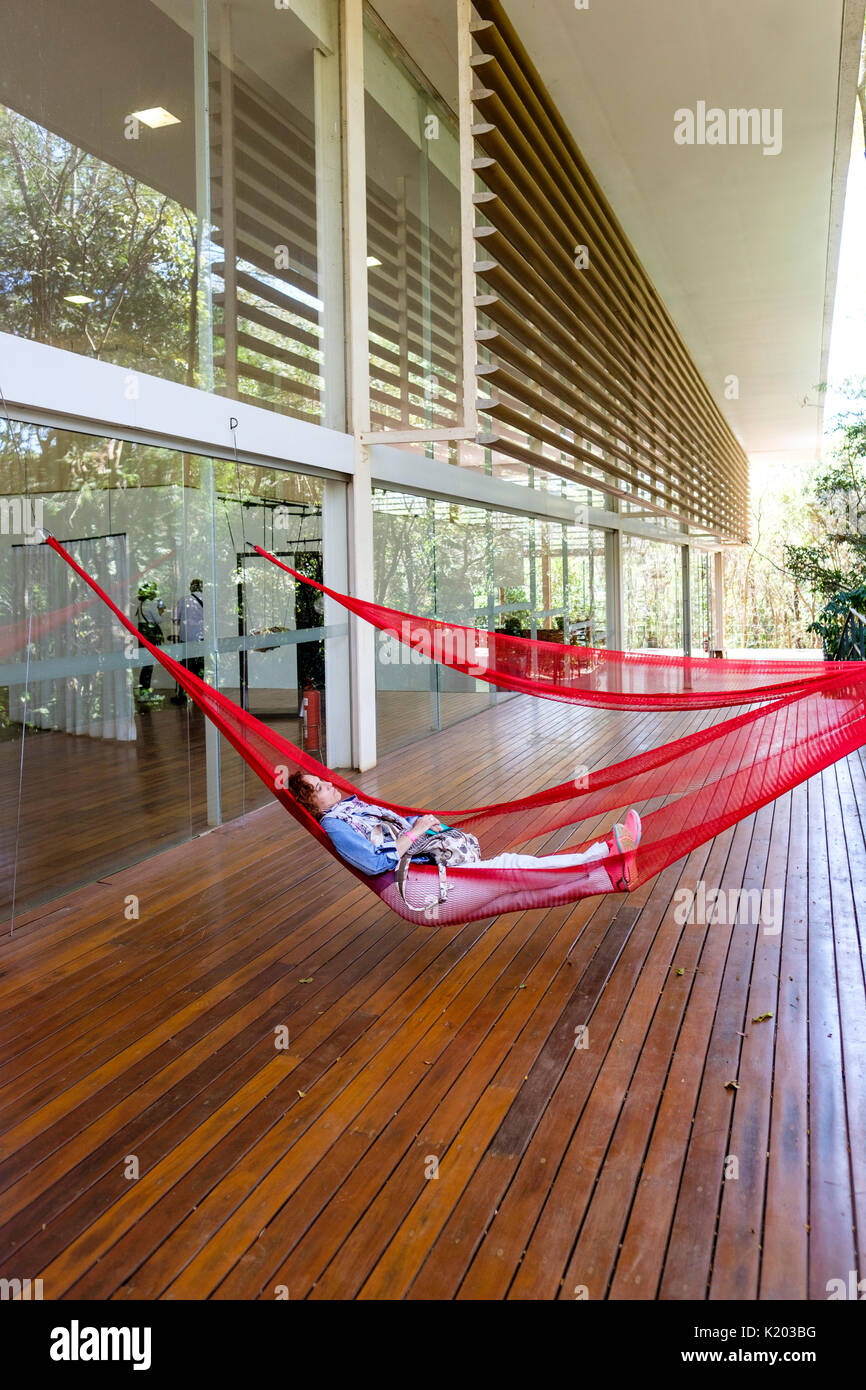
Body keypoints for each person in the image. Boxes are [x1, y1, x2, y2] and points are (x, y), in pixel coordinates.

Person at [287, 771, 642, 893]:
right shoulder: (335, 824)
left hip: (429, 860)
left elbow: (396, 828)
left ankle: (610, 871)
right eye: (319, 788)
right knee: (512, 868)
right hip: (420, 878)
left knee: (522, 886)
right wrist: (419, 830)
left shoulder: (350, 806)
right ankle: (603, 855)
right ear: (311, 805)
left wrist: (424, 826)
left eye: (323, 781)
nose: (329, 786)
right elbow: (373, 863)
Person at [171, 579, 205, 705]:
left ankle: (182, 695)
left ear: (191, 587)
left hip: (186, 637)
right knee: (199, 666)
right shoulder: (207, 600)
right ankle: (199, 694)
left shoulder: (183, 600)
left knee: (184, 666)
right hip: (201, 638)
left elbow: (175, 618)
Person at [134, 582, 165, 694]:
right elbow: (158, 620)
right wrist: (161, 611)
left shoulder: (141, 604)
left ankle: (144, 688)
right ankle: (145, 690)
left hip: (142, 634)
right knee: (149, 663)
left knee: (145, 662)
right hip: (150, 635)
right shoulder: (151, 604)